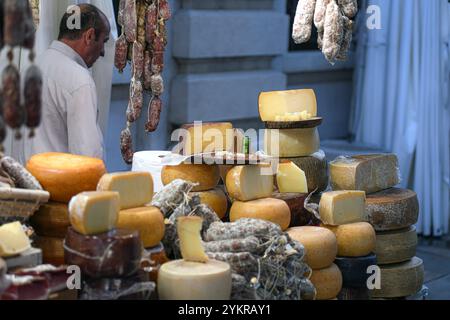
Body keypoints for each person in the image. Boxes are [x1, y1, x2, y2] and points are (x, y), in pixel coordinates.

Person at [26, 4, 110, 160]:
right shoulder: (79, 80)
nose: (103, 51)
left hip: (23, 180)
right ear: (89, 36)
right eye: (103, 41)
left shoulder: (34, 67)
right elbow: (87, 158)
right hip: (57, 183)